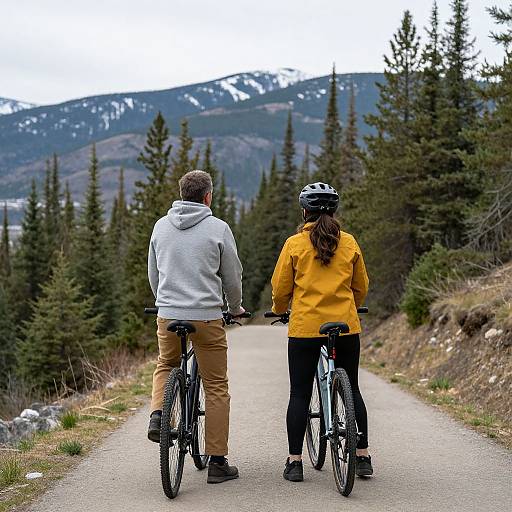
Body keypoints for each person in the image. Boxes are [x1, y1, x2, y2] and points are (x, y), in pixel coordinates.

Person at [270, 182, 372, 483]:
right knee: (351, 387)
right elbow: (361, 286)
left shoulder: (294, 245)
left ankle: (295, 461)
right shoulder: (350, 242)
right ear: (335, 211)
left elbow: (280, 289)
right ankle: (363, 455)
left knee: (299, 393)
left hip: (305, 328)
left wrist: (279, 309)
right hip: (346, 326)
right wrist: (353, 305)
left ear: (305, 211)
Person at [147, 170, 244, 484]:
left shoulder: (161, 226)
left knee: (166, 363)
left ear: (181, 194)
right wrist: (234, 308)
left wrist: (164, 300)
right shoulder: (218, 228)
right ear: (208, 196)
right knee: (216, 385)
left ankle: (159, 415)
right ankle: (217, 462)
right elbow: (232, 276)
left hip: (168, 314)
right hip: (206, 316)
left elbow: (153, 273)